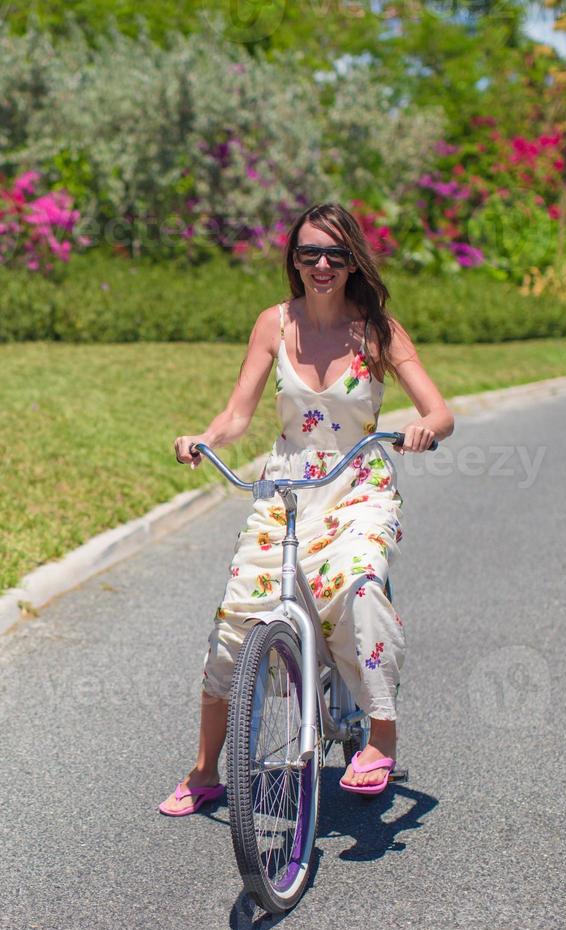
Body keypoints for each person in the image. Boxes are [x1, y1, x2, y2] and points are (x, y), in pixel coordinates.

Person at [159, 202, 454, 815]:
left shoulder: (378, 331)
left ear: (353, 261)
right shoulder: (274, 323)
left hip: (357, 487)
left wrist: (424, 428)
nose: (322, 265)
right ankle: (206, 769)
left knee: (358, 585)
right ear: (293, 259)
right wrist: (206, 440)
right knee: (236, 620)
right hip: (286, 492)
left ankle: (381, 736)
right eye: (309, 253)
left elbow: (440, 410)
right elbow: (238, 413)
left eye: (336, 254)